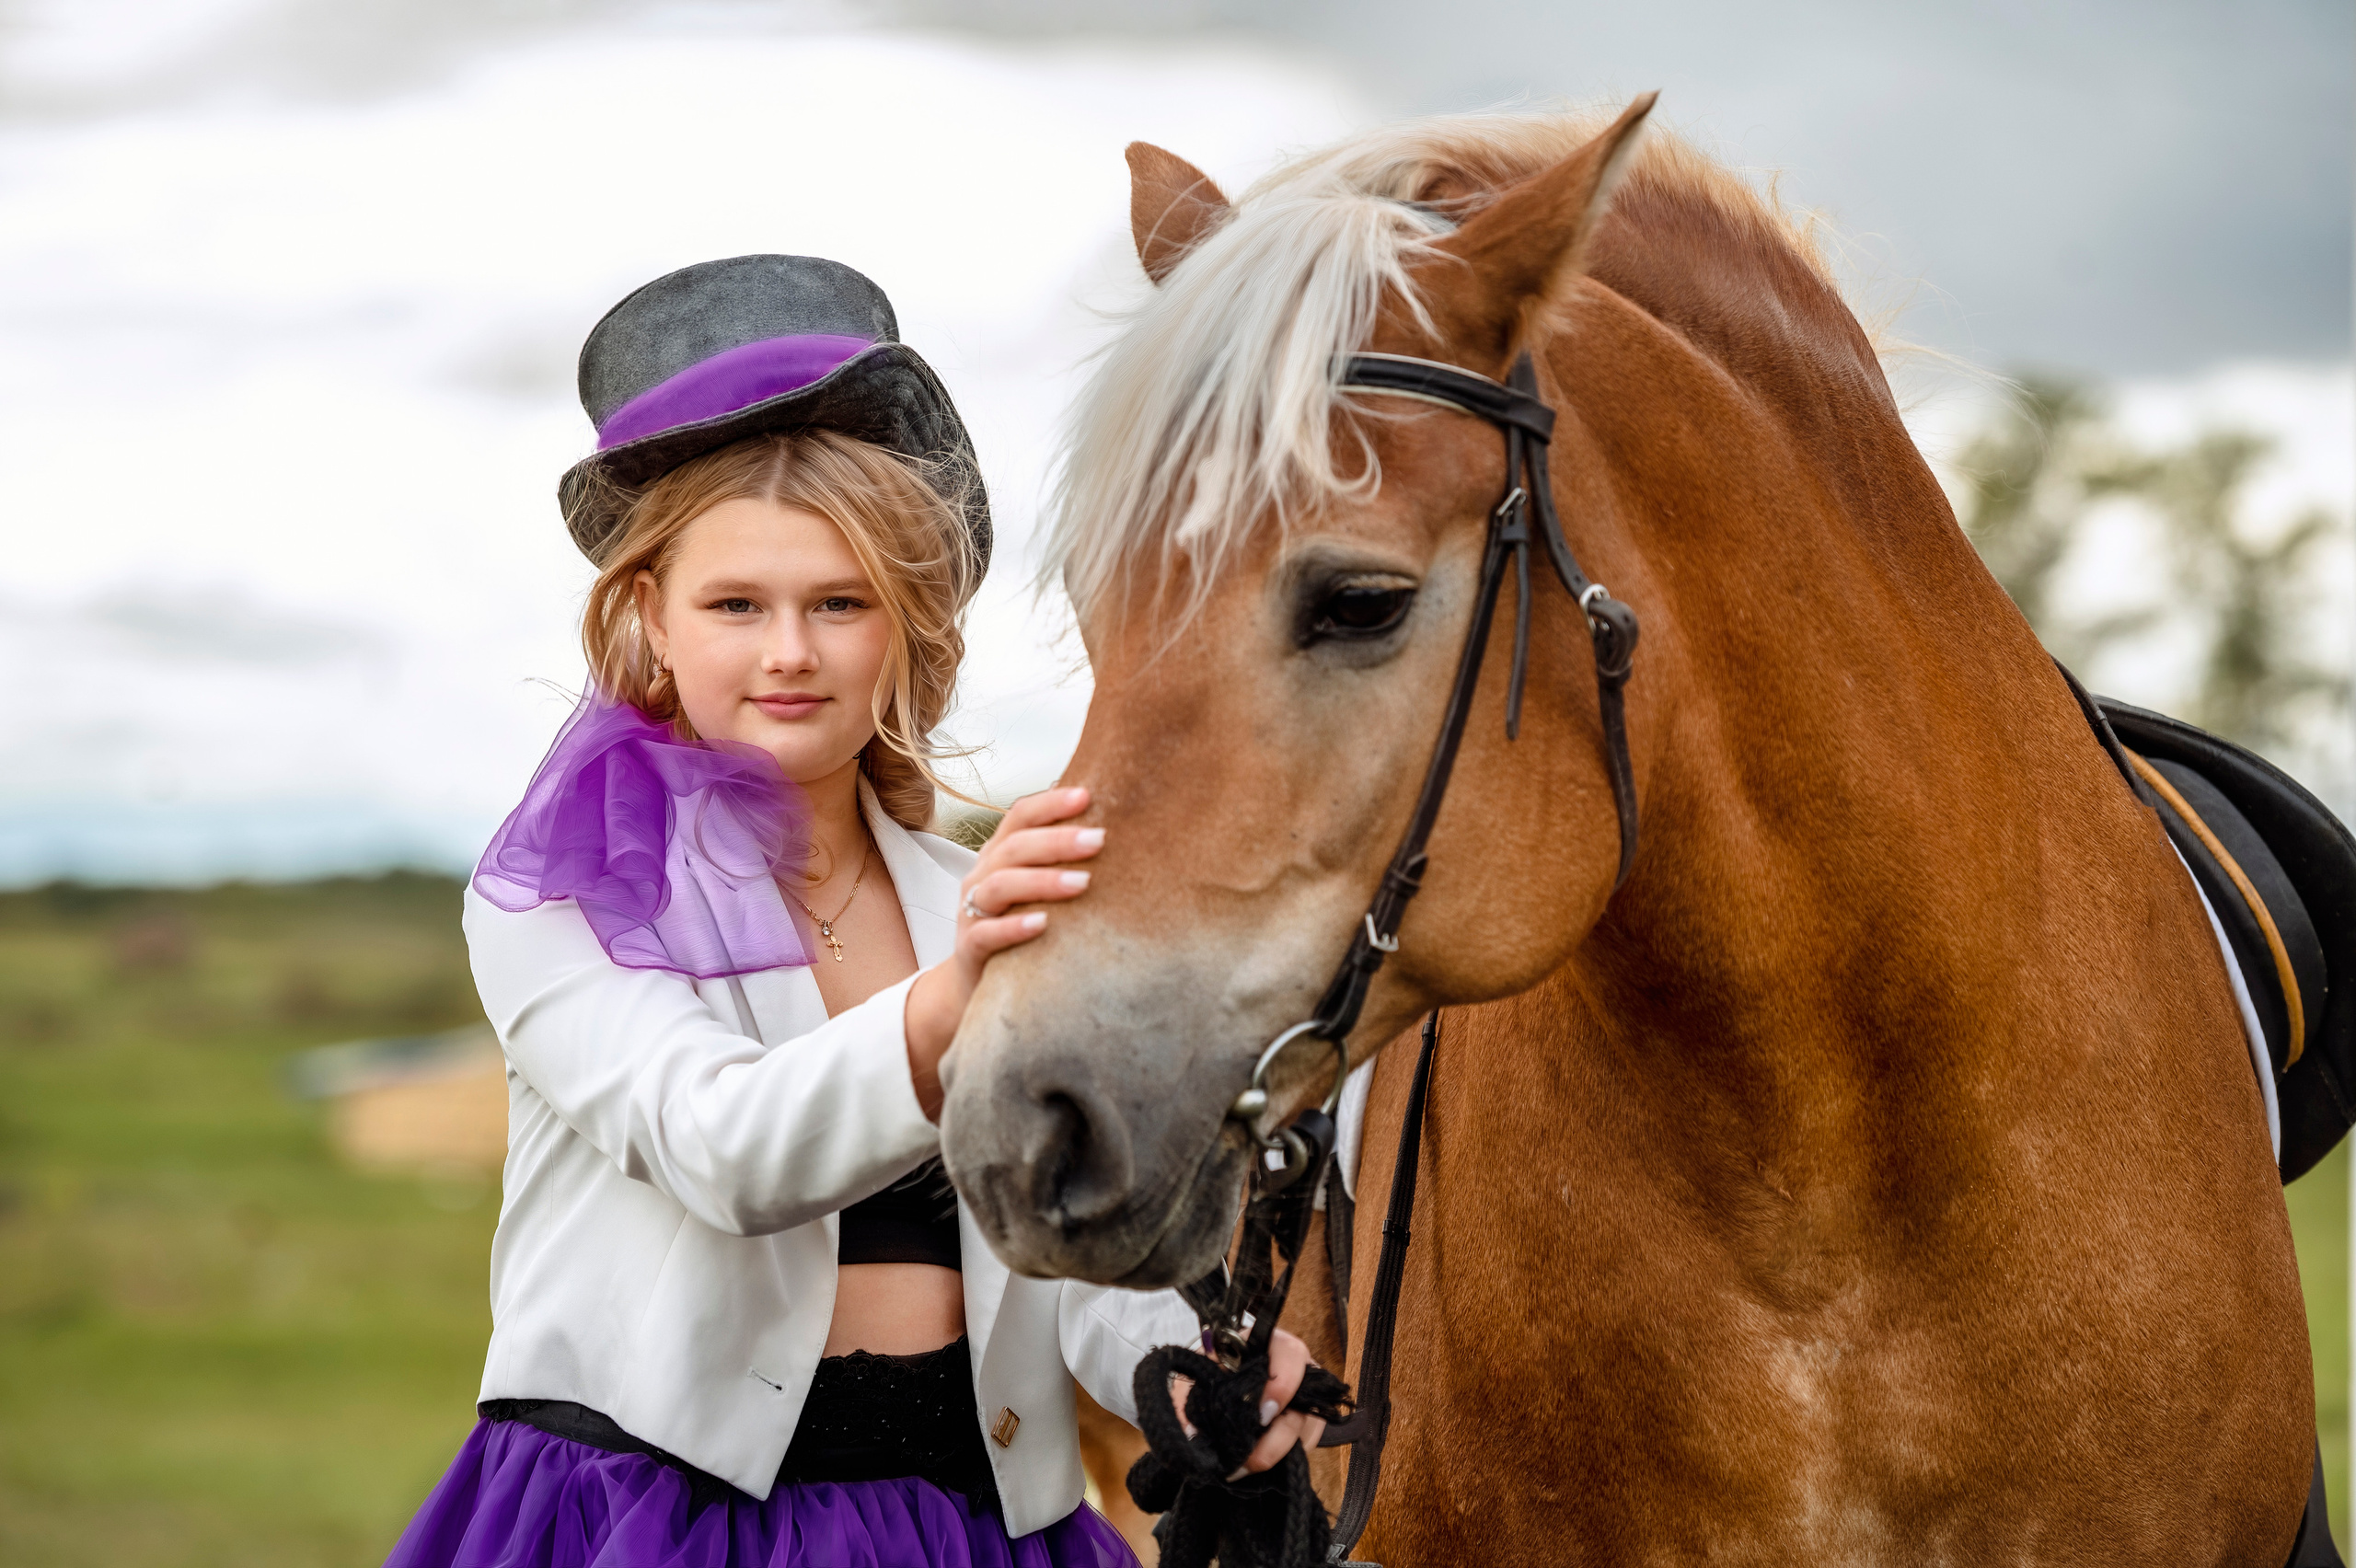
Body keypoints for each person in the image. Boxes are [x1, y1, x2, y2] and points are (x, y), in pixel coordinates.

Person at [384, 254, 1325, 1568]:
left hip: (977, 1527)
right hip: (660, 1523)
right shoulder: (561, 896)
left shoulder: (962, 897)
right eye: (735, 605)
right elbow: (719, 1148)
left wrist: (1183, 1366)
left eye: (840, 603)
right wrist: (960, 998)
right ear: (650, 620)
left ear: (905, 628)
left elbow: (1048, 1256)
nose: (790, 652)